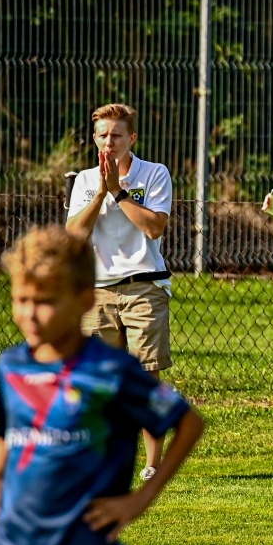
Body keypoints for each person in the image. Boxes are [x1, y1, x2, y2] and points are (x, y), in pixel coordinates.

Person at [0, 226, 205, 545]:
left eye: (46, 301)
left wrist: (141, 499)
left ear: (85, 299)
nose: (31, 314)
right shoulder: (10, 368)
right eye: (22, 299)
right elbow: (8, 440)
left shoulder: (111, 372)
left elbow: (187, 422)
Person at [65, 103, 175, 481]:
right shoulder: (83, 179)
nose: (108, 142)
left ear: (132, 138)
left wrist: (121, 193)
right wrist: (100, 194)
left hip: (145, 286)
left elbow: (155, 228)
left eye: (116, 135)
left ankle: (152, 463)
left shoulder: (155, 173)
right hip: (97, 291)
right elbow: (75, 235)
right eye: (101, 136)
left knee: (147, 378)